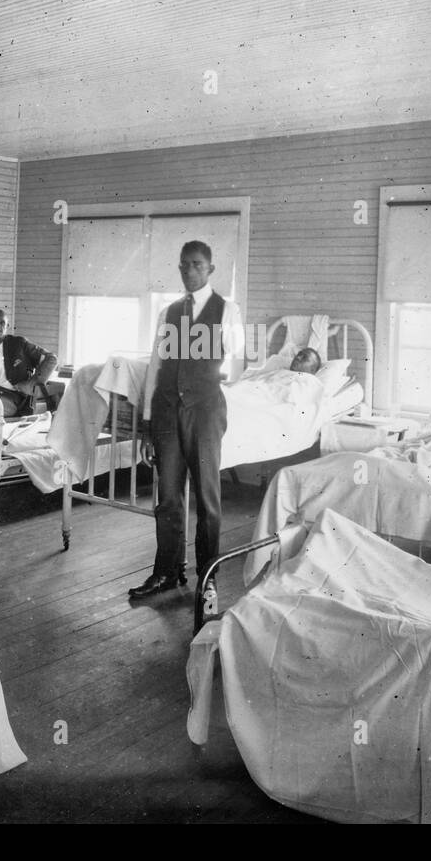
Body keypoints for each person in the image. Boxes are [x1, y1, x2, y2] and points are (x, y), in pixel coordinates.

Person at [130, 241, 244, 602]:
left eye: (196, 265)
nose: (188, 271)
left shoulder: (228, 310)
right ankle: (166, 571)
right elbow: (155, 367)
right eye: (183, 266)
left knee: (208, 499)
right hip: (166, 412)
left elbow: (235, 361)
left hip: (205, 412)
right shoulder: (169, 312)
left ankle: (207, 579)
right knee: (167, 498)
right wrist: (148, 422)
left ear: (210, 269)